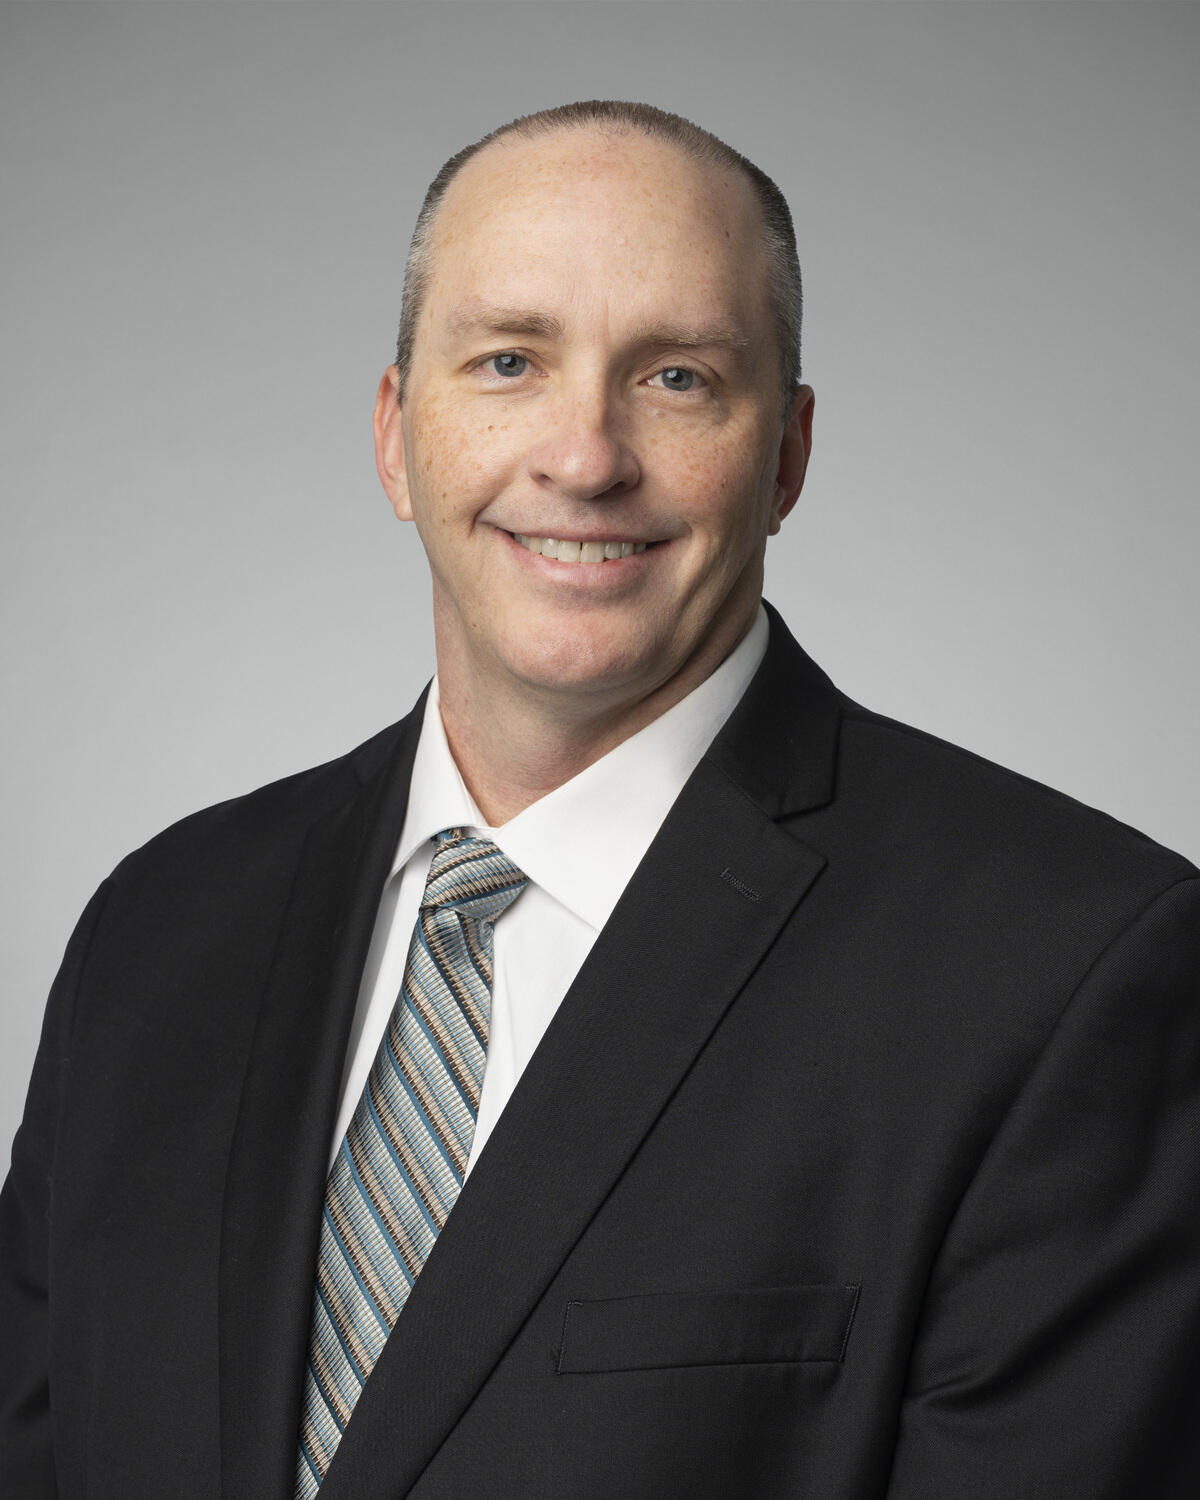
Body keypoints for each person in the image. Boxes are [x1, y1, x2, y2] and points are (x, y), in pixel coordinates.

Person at [2, 99, 1198, 1500]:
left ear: (788, 456)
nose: (584, 457)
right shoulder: (157, 930)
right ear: (395, 435)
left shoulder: (1072, 969)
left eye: (678, 378)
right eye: (508, 361)